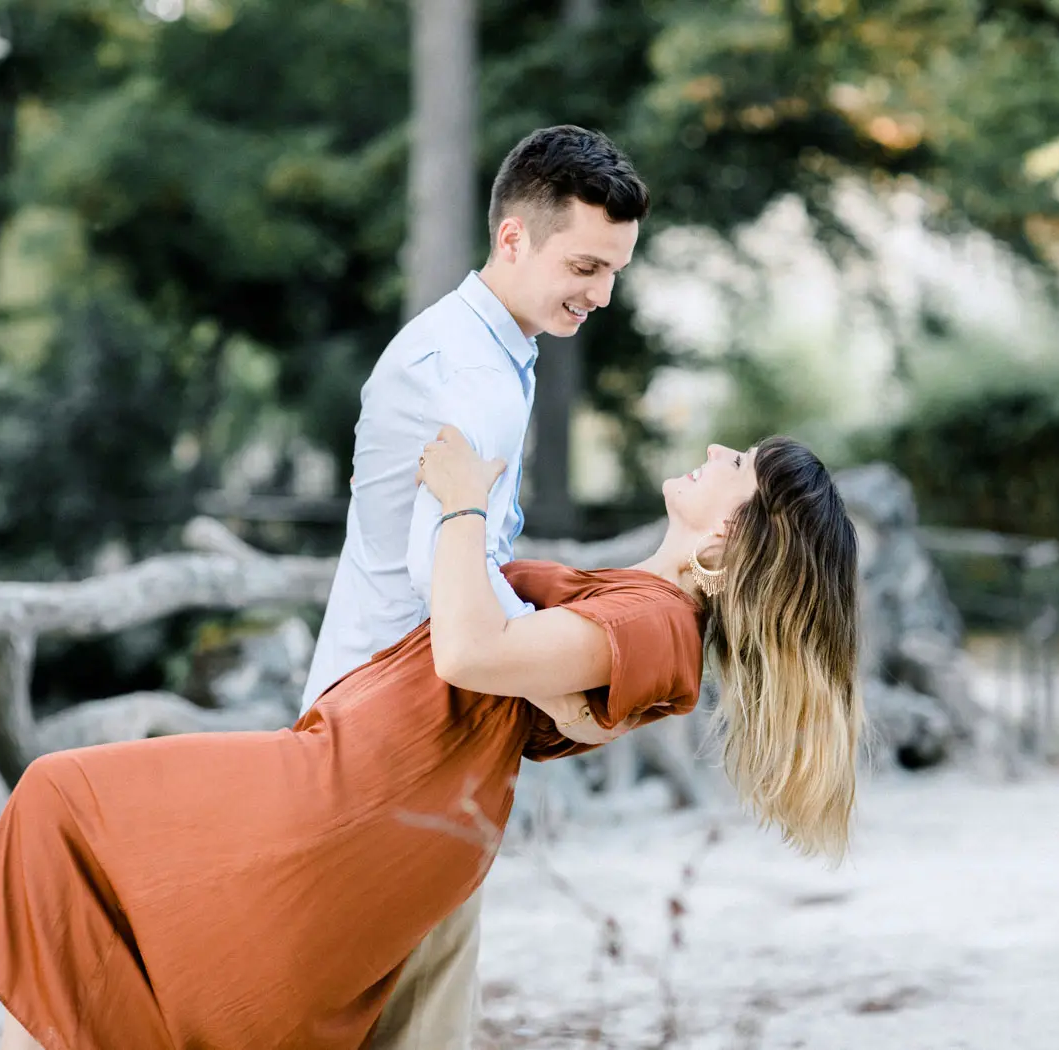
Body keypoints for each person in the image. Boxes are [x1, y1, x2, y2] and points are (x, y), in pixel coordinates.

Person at [0, 429, 864, 1050]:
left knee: (62, 805)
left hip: (353, 795)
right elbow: (549, 693)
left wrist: (464, 504)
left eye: (736, 461)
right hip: (359, 778)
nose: (713, 450)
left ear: (733, 536)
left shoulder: (660, 626)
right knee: (91, 883)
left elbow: (472, 649)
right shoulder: (647, 611)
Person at [299, 124, 649, 1048]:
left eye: (614, 270)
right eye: (584, 265)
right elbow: (439, 570)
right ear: (512, 238)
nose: (602, 294)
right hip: (394, 733)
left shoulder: (487, 352)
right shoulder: (471, 375)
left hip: (393, 718)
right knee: (418, 1023)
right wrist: (567, 694)